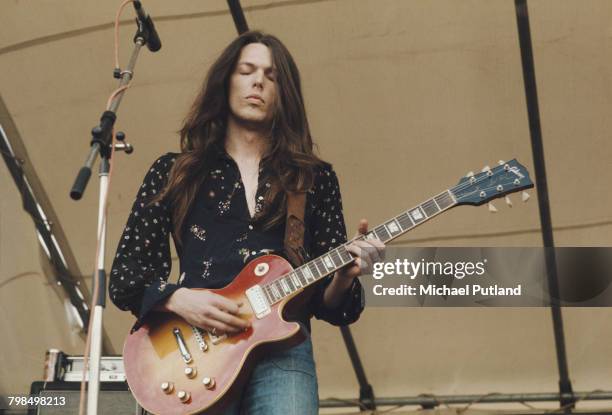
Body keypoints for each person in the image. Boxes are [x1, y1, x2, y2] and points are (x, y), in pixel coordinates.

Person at [109, 30, 384, 415]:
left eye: (271, 76)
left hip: (283, 351)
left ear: (283, 92)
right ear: (226, 82)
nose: (258, 81)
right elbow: (126, 275)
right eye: (247, 70)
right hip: (194, 349)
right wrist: (180, 299)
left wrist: (345, 275)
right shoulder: (175, 171)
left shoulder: (313, 179)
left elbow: (334, 308)